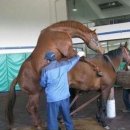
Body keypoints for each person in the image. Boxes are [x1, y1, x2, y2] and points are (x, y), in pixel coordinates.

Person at [40, 51, 80, 130]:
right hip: (64, 97)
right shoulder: (64, 65)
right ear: (54, 58)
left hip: (53, 99)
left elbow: (42, 84)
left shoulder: (45, 70)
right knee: (67, 117)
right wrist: (78, 56)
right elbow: (72, 62)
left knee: (52, 120)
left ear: (48, 60)